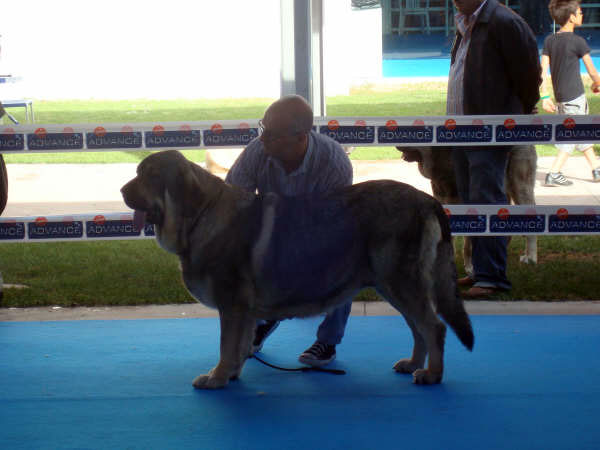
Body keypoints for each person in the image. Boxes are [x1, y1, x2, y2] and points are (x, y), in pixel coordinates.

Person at [225, 94, 354, 367]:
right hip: (271, 227)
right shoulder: (256, 153)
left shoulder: (334, 162)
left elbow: (332, 223)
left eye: (271, 134)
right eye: (263, 129)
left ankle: (328, 342)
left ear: (300, 136)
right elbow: (232, 201)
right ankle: (264, 319)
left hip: (321, 229)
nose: (262, 139)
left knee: (346, 263)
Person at [447, 0, 541, 298]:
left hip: (488, 132)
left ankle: (492, 277)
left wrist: (512, 117)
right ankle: (480, 271)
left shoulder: (503, 22)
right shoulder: (466, 23)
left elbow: (529, 76)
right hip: (461, 132)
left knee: (487, 199)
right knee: (472, 202)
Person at [541, 0, 600, 186]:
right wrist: (597, 84)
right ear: (572, 17)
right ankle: (554, 173)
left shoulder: (550, 41)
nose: (582, 15)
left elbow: (542, 71)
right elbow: (592, 70)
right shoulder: (578, 42)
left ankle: (596, 169)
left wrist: (544, 96)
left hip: (561, 99)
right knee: (573, 135)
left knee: (580, 133)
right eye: (580, 12)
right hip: (575, 97)